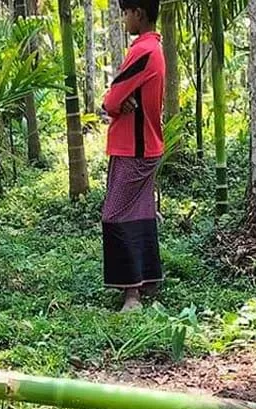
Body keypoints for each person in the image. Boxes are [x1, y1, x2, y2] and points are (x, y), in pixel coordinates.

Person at [101, 0, 165, 312]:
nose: (124, 19)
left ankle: (132, 294)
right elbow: (121, 96)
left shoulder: (142, 50)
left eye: (125, 13)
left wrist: (114, 103)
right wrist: (120, 99)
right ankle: (148, 281)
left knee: (115, 215)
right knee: (141, 213)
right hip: (142, 145)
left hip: (134, 148)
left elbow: (113, 99)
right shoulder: (154, 48)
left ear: (138, 13)